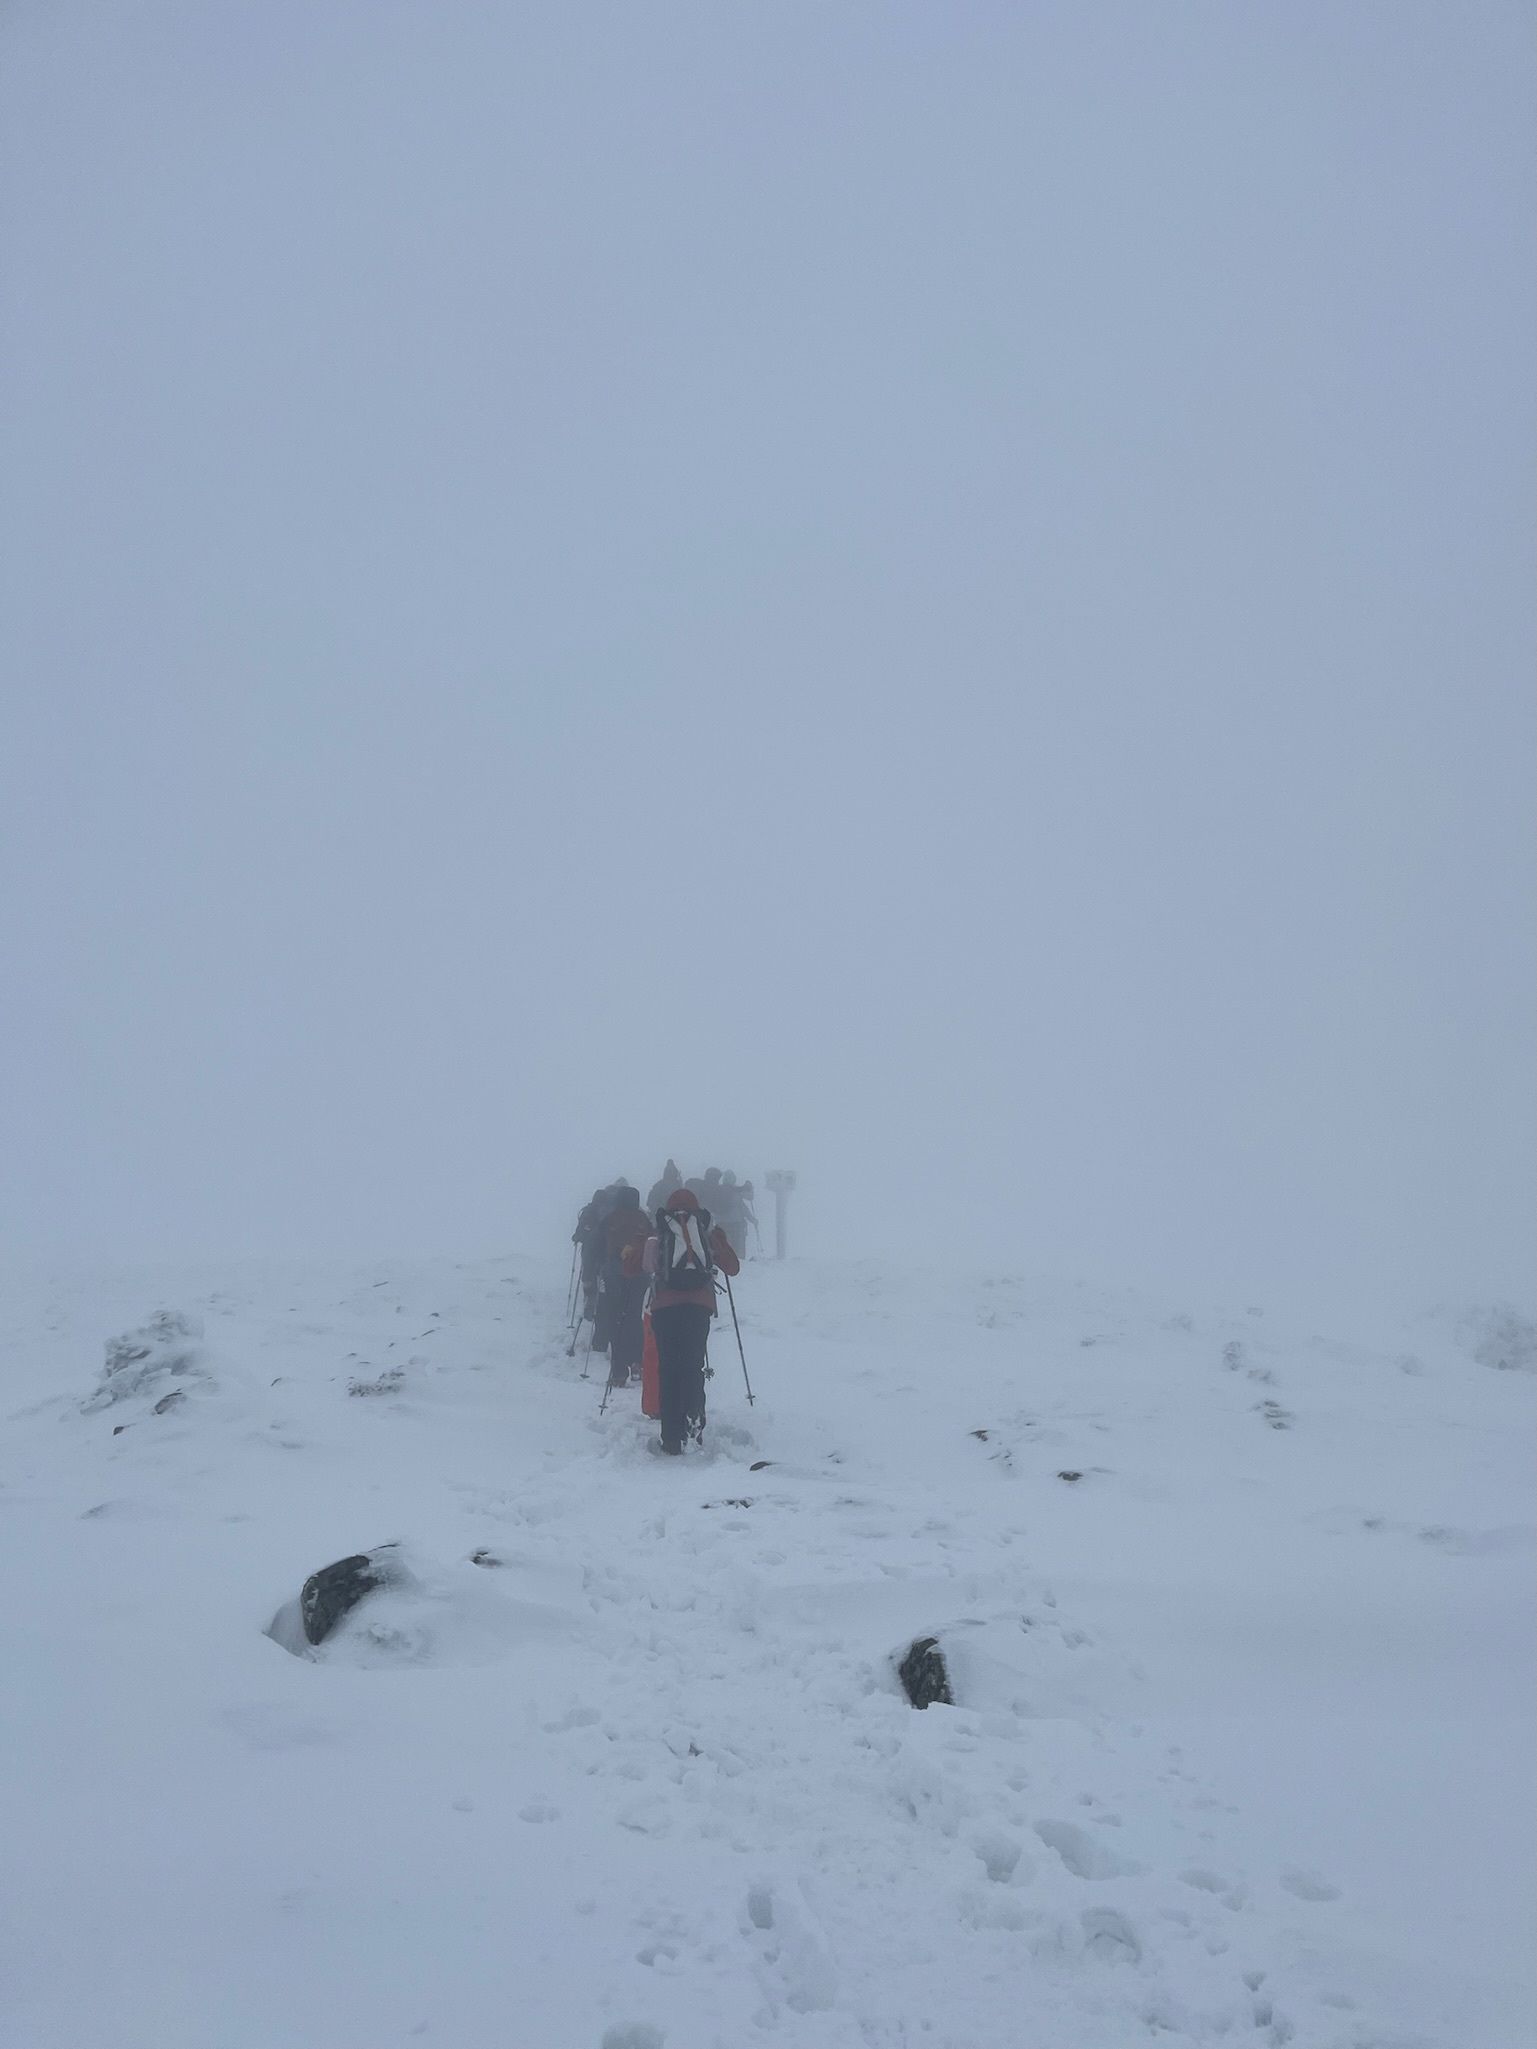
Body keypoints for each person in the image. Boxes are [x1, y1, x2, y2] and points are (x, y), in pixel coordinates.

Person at [644, 1187, 740, 1455]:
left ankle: (671, 1438)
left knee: (668, 1368)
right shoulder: (707, 1229)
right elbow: (732, 1267)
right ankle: (694, 1414)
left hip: (664, 1307)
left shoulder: (659, 1229)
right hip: (699, 1306)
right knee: (693, 1364)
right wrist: (718, 1242)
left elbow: (645, 1266)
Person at [601, 1186, 650, 1388]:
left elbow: (596, 1242)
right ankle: (637, 1361)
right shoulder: (643, 1219)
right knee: (633, 1316)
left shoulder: (611, 1218)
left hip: (614, 1273)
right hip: (640, 1274)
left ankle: (619, 1371)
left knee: (616, 1319)